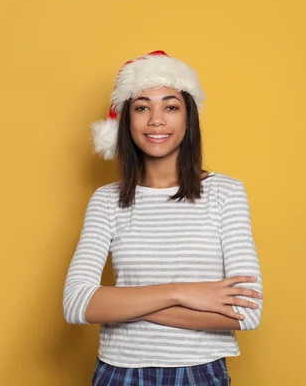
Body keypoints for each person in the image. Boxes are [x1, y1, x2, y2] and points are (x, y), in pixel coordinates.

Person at [63, 50, 263, 385]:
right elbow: (77, 303)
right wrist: (181, 292)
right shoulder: (106, 201)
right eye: (142, 107)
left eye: (171, 107)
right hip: (118, 373)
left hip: (199, 373)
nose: (156, 120)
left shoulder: (226, 193)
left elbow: (247, 312)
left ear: (188, 119)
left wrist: (124, 304)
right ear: (127, 120)